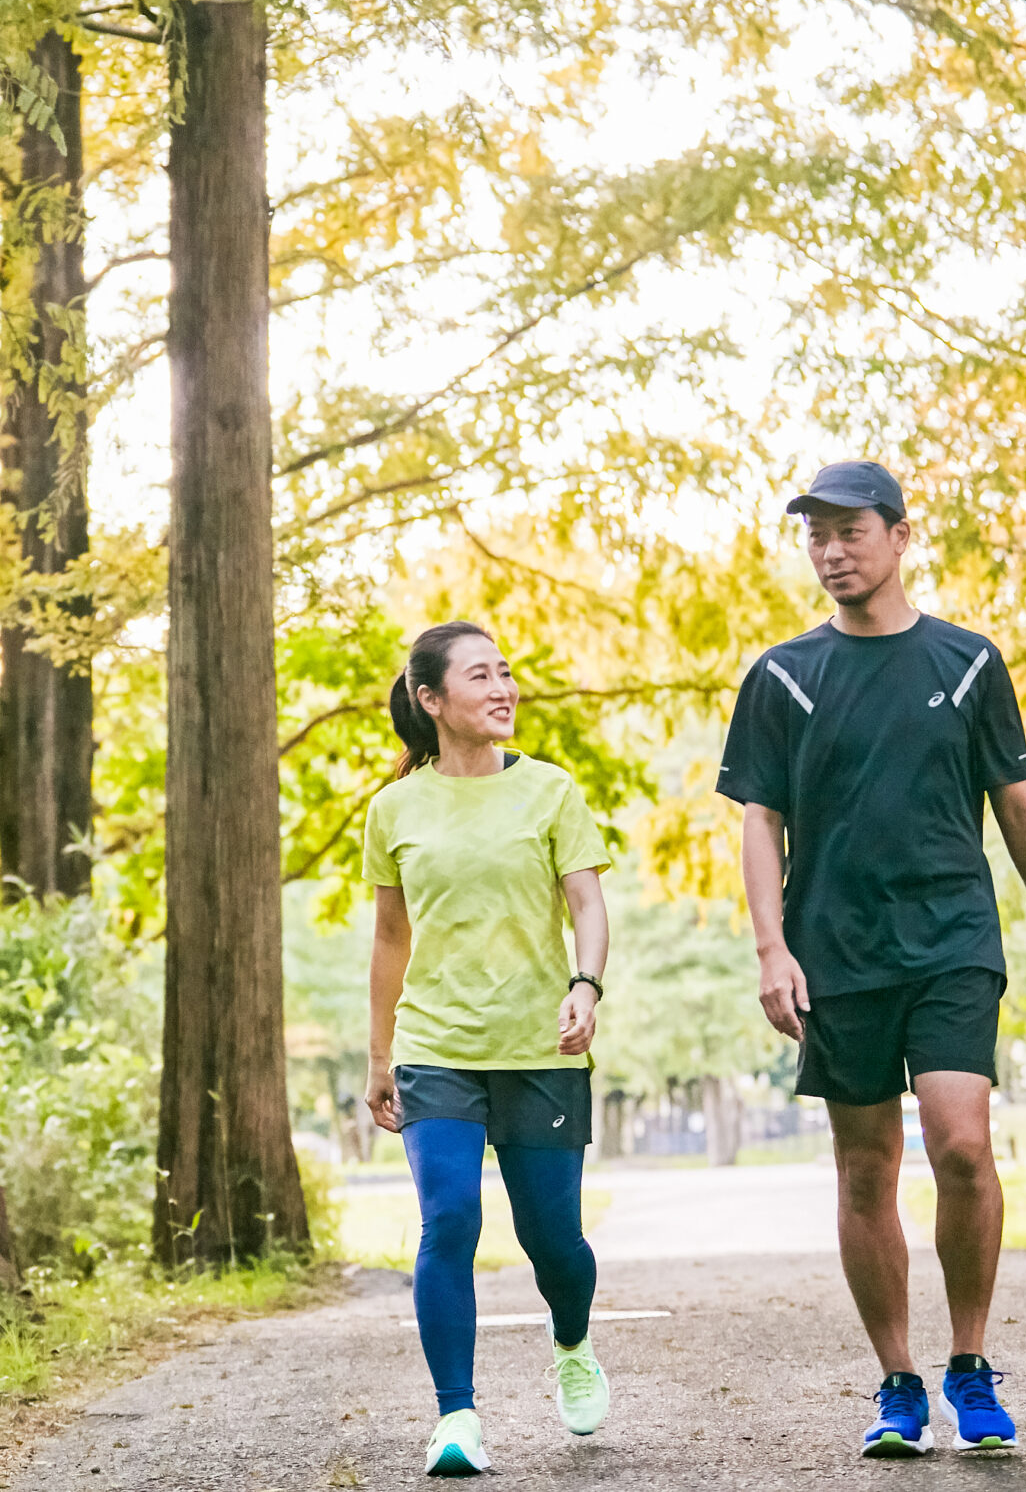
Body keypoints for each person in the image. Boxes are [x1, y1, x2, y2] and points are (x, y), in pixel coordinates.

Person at [717, 461, 1026, 1458]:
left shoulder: (968, 664)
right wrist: (770, 949)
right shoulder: (783, 675)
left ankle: (970, 1365)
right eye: (815, 536)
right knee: (865, 1167)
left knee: (961, 1143)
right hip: (834, 947)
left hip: (950, 939)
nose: (831, 552)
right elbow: (759, 818)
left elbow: (1017, 803)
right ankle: (896, 1383)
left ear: (898, 535)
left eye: (849, 531)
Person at [363, 620, 615, 1476]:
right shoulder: (393, 807)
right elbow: (390, 939)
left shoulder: (550, 790)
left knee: (554, 1241)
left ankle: (573, 1341)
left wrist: (586, 985)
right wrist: (376, 1055)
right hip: (436, 1046)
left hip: (540, 1048)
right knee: (450, 1219)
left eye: (506, 671)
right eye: (481, 675)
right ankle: (456, 1415)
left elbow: (586, 903)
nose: (503, 687)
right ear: (431, 699)